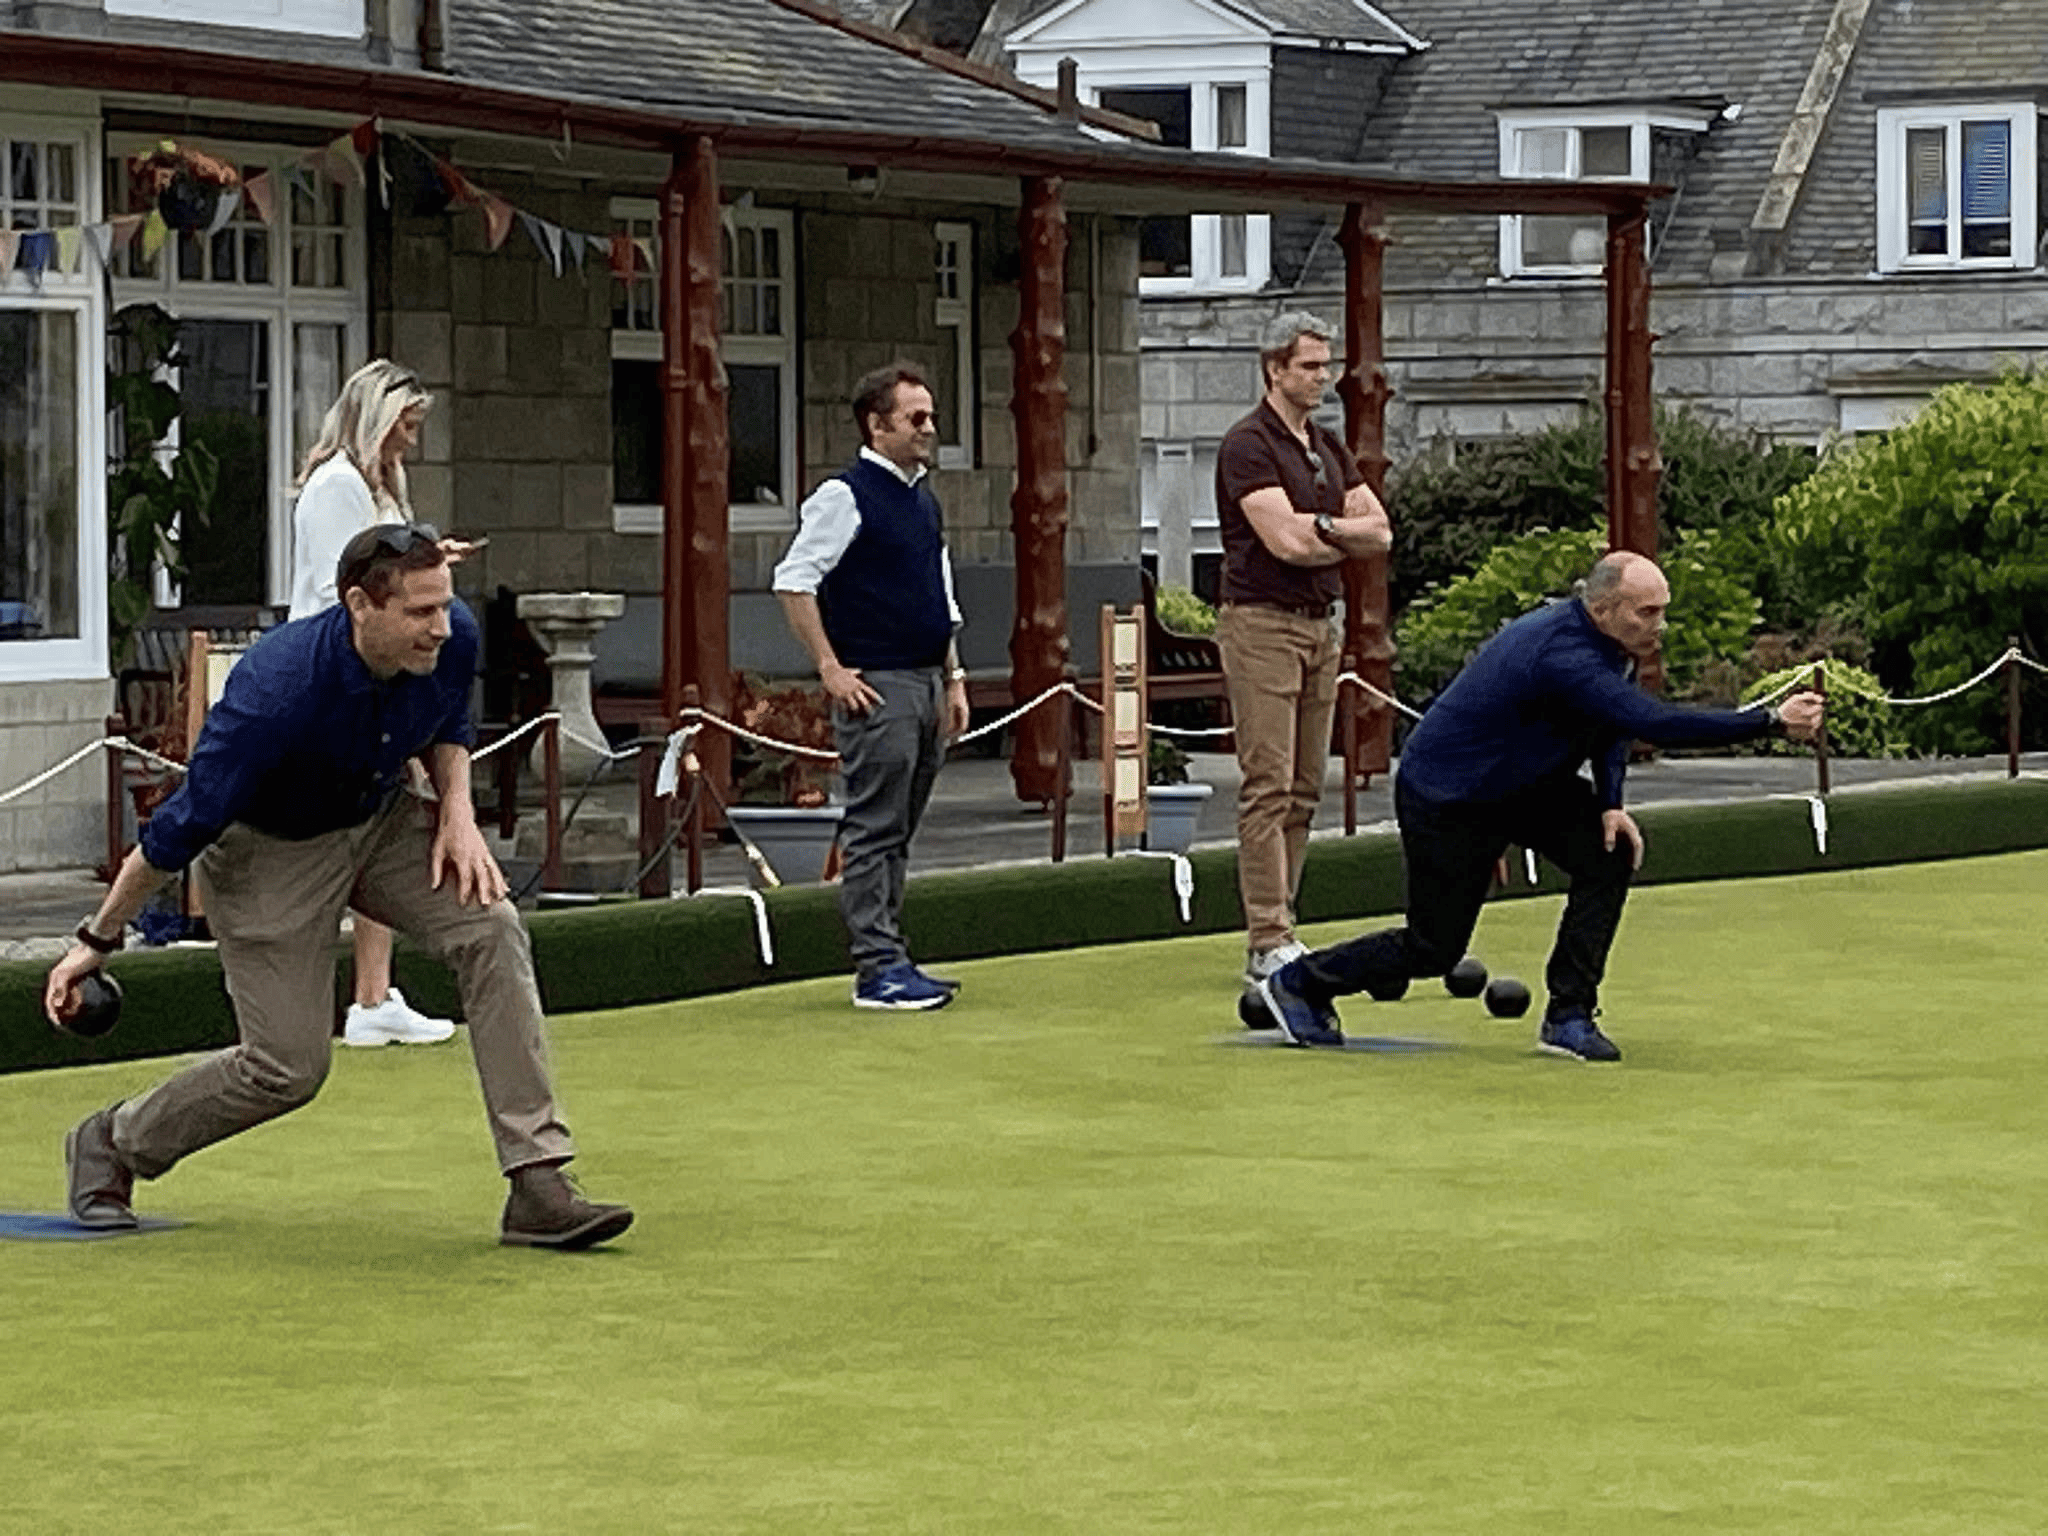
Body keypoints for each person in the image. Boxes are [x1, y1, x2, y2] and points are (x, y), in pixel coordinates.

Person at [46, 523, 633, 1249]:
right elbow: (176, 831)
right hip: (269, 853)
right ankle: (114, 1142)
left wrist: (457, 809)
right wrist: (94, 942)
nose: (440, 628)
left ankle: (537, 1179)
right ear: (360, 604)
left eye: (443, 606)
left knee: (492, 927)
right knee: (287, 1067)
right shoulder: (275, 689)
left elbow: (448, 714)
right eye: (419, 613)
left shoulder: (455, 634)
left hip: (380, 820)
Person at [1253, 551, 1825, 1061]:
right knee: (1434, 949)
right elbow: (1650, 722)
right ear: (1602, 608)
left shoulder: (1613, 644)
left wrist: (1609, 802)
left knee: (1608, 854)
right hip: (1451, 796)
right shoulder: (1564, 652)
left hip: (1524, 786)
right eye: (1646, 613)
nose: (1660, 625)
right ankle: (1301, 982)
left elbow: (1611, 727)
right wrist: (1770, 720)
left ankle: (1569, 1015)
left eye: (1662, 610)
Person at [771, 362, 970, 1011]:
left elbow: (939, 593)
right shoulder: (846, 495)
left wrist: (955, 676)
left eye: (930, 416)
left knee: (900, 826)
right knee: (875, 826)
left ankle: (892, 952)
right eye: (916, 418)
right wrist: (830, 667)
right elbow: (794, 579)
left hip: (925, 678)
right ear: (877, 424)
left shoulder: (924, 499)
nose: (929, 429)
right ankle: (877, 966)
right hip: (878, 683)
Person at [1216, 312, 1392, 990]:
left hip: (1323, 623)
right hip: (1262, 622)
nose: (1323, 377)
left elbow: (1380, 532)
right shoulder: (1248, 445)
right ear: (1275, 369)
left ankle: (1285, 921)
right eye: (1310, 366)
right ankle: (1267, 937)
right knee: (1268, 782)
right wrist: (1332, 532)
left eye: (1325, 365)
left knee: (1307, 786)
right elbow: (1283, 545)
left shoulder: (1325, 445)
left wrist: (1322, 526)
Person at [290, 358, 455, 1049]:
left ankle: (373, 995)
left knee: (379, 827)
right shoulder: (336, 487)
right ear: (376, 417)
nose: (410, 441)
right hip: (334, 677)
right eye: (405, 425)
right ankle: (336, 998)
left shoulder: (382, 484)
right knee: (338, 837)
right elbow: (347, 591)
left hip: (378, 676)